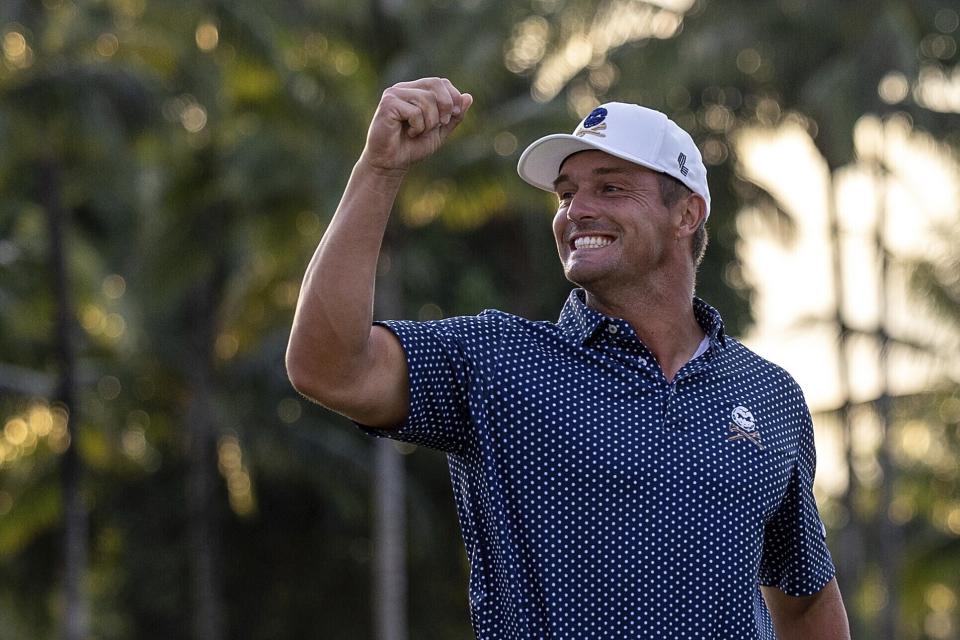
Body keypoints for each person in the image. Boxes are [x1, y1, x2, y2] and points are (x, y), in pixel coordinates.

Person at [286, 77, 850, 639]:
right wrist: (380, 170)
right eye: (565, 193)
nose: (575, 210)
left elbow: (804, 601)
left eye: (609, 189)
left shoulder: (770, 396)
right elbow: (328, 367)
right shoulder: (497, 361)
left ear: (686, 215)